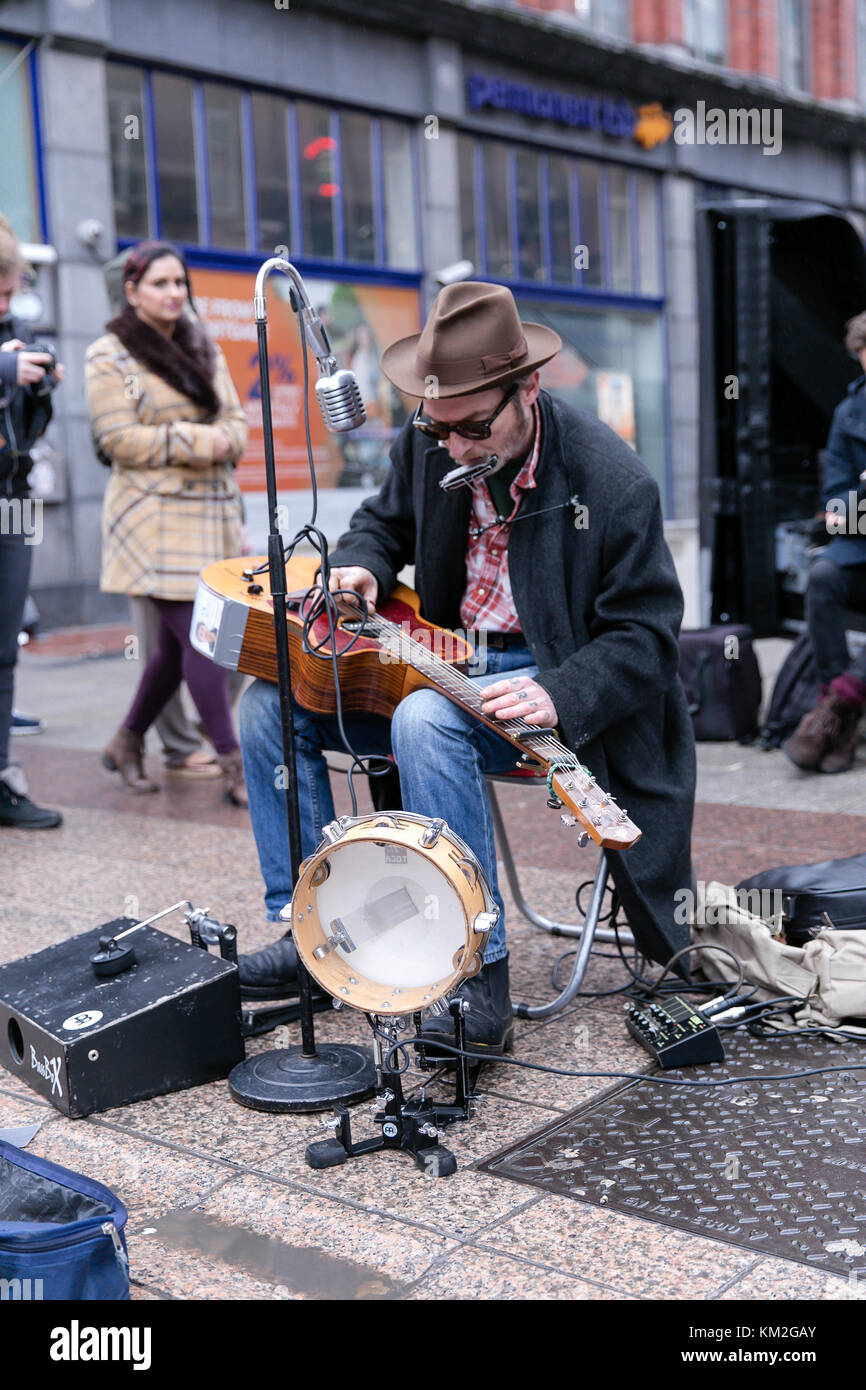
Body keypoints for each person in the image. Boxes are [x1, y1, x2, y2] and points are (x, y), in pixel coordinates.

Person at [237, 281, 697, 1053]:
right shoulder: (434, 435)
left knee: (425, 720)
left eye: (473, 428)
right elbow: (381, 524)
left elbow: (648, 640)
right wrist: (361, 569)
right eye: (436, 426)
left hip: (549, 674)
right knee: (266, 700)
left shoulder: (613, 485)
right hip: (440, 654)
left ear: (530, 391)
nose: (451, 447)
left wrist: (560, 691)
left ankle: (475, 976)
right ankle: (312, 926)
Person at [86, 240, 249, 804]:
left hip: (215, 516)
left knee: (178, 650)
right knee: (204, 642)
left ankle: (126, 742)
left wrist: (222, 438)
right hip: (152, 521)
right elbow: (117, 439)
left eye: (180, 282)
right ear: (132, 291)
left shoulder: (203, 343)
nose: (175, 293)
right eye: (160, 283)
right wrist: (205, 441)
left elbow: (240, 423)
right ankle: (236, 766)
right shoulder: (111, 354)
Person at [0, 216, 64, 830]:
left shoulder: (16, 334)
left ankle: (1, 778)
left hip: (11, 500)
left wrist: (39, 390)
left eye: (9, 291)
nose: (4, 303)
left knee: (4, 649)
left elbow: (27, 432)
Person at [785, 310, 866, 774]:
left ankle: (837, 711)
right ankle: (840, 712)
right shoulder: (848, 413)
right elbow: (836, 510)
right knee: (822, 577)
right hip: (859, 551)